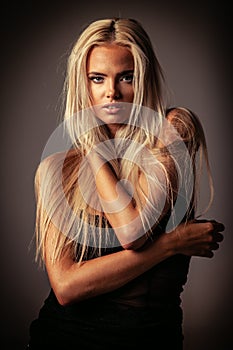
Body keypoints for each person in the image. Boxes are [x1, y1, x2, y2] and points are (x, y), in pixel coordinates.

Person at [27, 18, 224, 349]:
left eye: (126, 77)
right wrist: (171, 244)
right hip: (64, 339)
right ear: (83, 85)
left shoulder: (173, 130)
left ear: (143, 79)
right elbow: (66, 287)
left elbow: (132, 230)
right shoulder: (56, 169)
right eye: (97, 78)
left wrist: (93, 149)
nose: (111, 92)